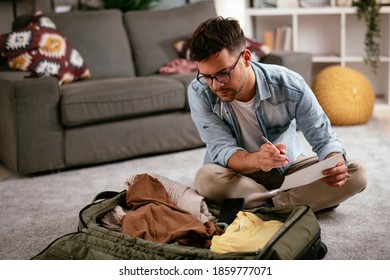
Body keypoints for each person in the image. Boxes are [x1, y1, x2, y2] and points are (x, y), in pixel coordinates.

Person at [187, 17, 367, 212]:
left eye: (223, 73)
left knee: (356, 173)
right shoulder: (199, 92)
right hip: (237, 173)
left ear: (246, 58)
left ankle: (266, 204)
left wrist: (335, 161)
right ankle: (293, 202)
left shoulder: (289, 85)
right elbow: (222, 149)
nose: (215, 85)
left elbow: (324, 139)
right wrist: (257, 160)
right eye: (206, 76)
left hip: (287, 169)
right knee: (206, 179)